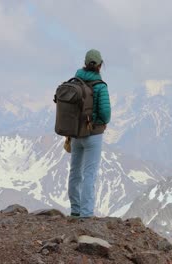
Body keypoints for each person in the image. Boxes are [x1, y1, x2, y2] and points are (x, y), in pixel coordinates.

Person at [68, 49, 111, 218]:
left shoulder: (75, 82)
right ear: (100, 65)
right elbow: (106, 114)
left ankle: (75, 210)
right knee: (89, 174)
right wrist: (99, 122)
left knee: (75, 171)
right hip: (93, 135)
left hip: (75, 133)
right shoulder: (100, 86)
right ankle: (86, 214)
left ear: (85, 63)